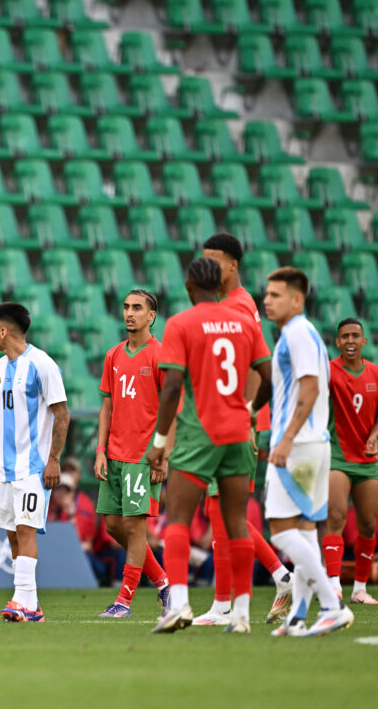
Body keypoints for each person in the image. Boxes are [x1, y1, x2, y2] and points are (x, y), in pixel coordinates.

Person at [147, 257, 272, 634]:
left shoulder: (181, 323)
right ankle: (243, 615)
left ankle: (180, 606)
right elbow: (267, 376)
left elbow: (171, 387)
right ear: (220, 284)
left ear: (189, 286)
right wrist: (250, 411)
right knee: (237, 522)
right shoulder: (244, 322)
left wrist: (159, 440)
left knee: (179, 520)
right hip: (238, 433)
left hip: (199, 434)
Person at [199, 233, 295, 626]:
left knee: (225, 510)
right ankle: (270, 580)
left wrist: (250, 415)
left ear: (233, 264)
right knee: (219, 509)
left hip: (236, 423)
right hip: (228, 420)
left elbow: (258, 365)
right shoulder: (233, 304)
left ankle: (236, 600)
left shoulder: (236, 307)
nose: (207, 268)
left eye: (214, 261)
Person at [0, 302, 70, 622]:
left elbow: (62, 415)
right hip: (4, 469)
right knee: (12, 534)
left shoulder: (42, 364)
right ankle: (31, 605)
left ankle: (20, 599)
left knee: (25, 530)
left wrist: (54, 460)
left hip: (33, 467)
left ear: (5, 331)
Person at [263, 267, 354, 637]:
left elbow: (311, 389)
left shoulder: (297, 333)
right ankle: (297, 616)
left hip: (298, 447)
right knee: (303, 532)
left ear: (297, 299)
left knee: (281, 532)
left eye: (276, 295)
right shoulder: (308, 333)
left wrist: (284, 441)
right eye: (267, 294)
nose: (267, 300)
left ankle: (333, 605)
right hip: (316, 445)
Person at [93, 289, 172, 618]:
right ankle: (165, 584)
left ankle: (124, 601)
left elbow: (173, 407)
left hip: (143, 454)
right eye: (126, 307)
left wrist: (163, 454)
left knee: (134, 526)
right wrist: (100, 450)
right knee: (113, 526)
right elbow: (107, 407)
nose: (129, 313)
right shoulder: (113, 355)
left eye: (137, 308)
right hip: (114, 454)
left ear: (151, 316)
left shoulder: (160, 355)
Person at [323, 318, 378, 605]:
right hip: (338, 456)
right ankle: (333, 585)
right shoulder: (328, 370)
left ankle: (360, 588)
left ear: (364, 341)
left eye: (355, 336)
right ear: (337, 342)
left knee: (368, 523)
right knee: (336, 517)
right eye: (344, 336)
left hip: (367, 459)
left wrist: (375, 435)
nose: (350, 341)